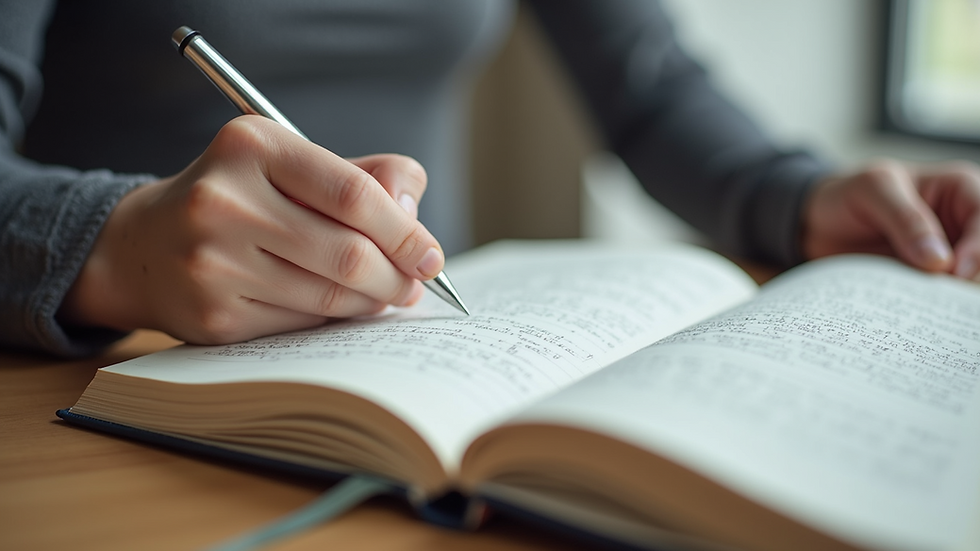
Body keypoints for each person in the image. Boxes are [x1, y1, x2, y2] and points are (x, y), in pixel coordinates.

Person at [1, 1, 978, 357]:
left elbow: (649, 88)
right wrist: (115, 243)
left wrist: (800, 197)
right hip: (113, 370)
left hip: (419, 348)